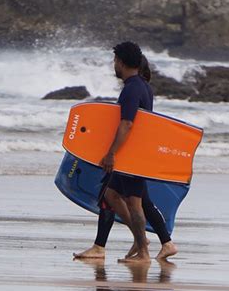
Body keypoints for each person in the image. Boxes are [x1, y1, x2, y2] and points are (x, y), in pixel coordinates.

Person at [73, 53, 178, 261]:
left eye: (115, 61)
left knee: (134, 202)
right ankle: (157, 243)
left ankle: (142, 249)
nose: (114, 65)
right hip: (133, 153)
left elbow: (127, 123)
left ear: (121, 62)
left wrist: (112, 153)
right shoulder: (142, 86)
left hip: (129, 154)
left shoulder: (132, 88)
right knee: (112, 196)